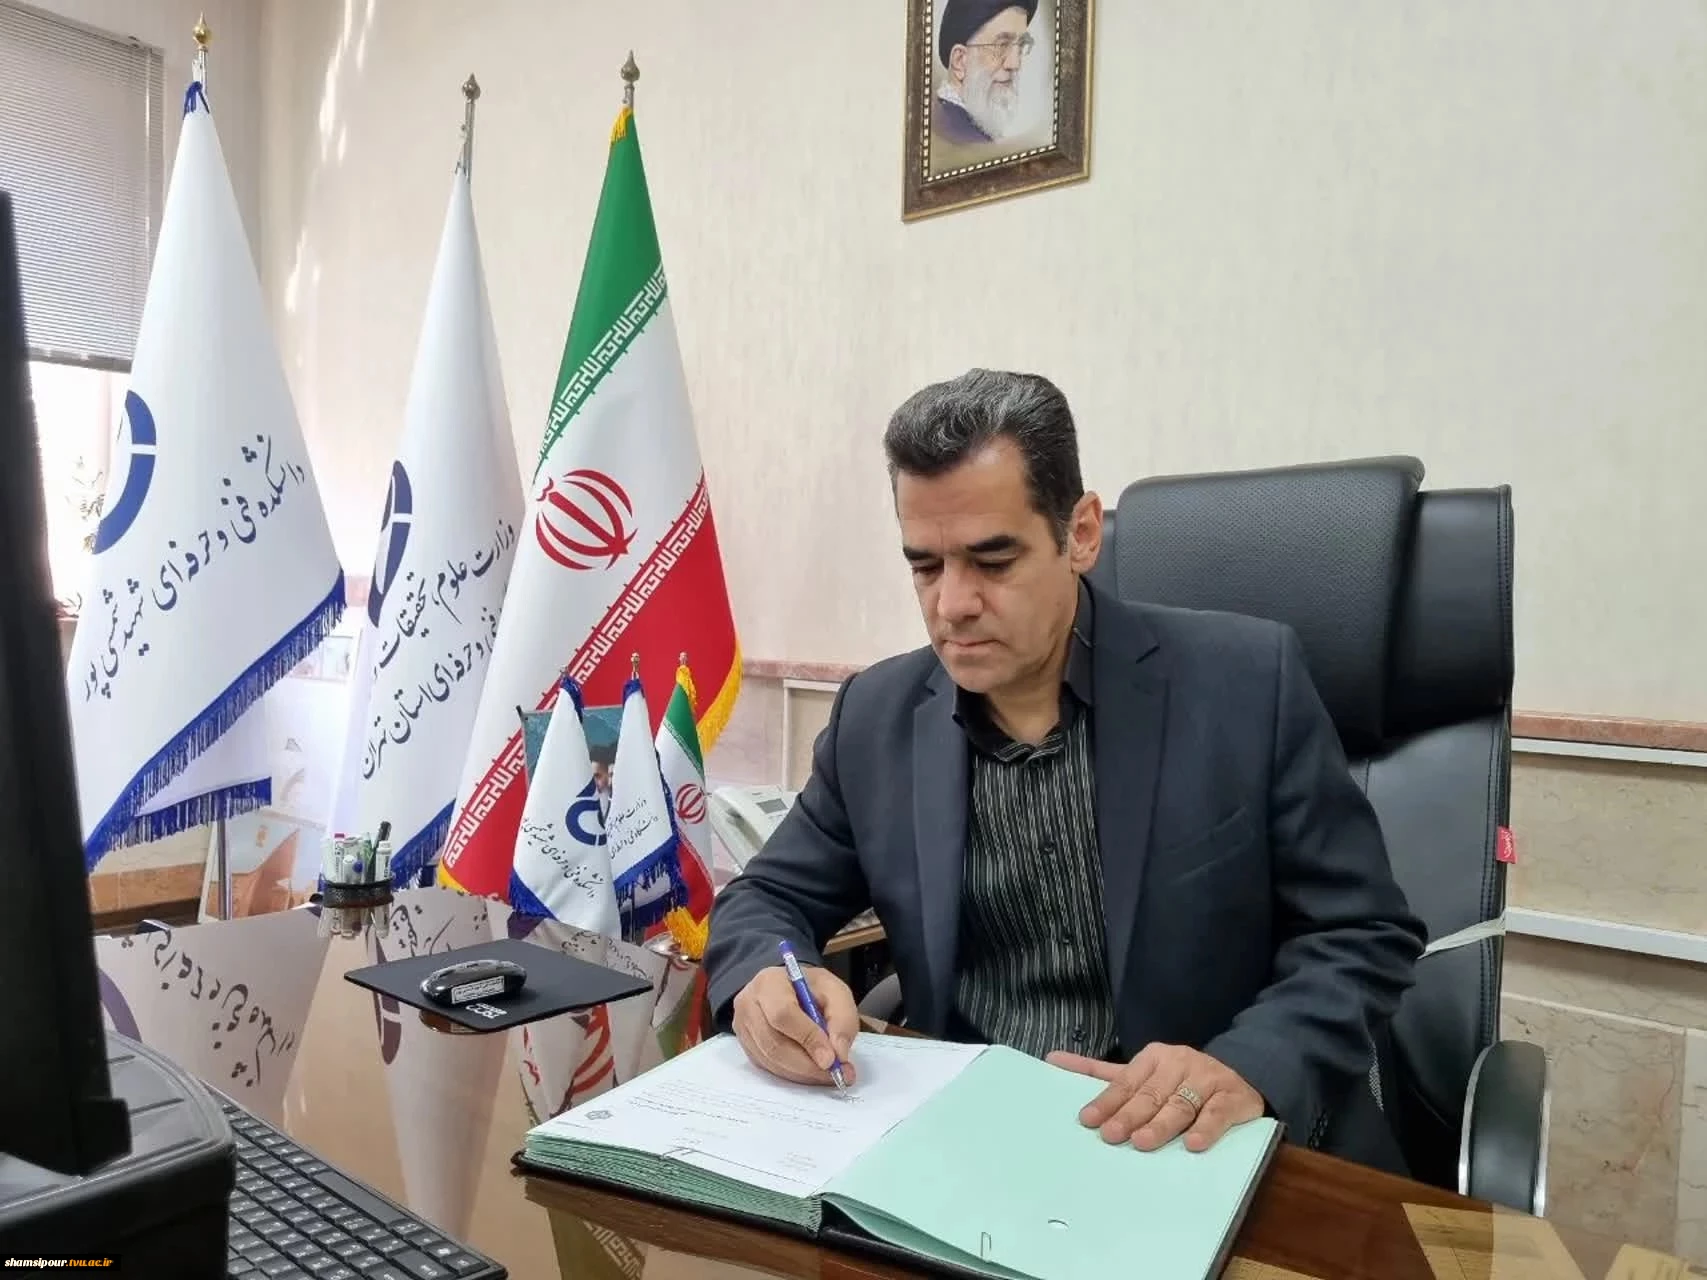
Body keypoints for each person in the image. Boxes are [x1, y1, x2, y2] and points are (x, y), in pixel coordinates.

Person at [703, 368, 1428, 1172]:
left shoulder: (1247, 683)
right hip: (974, 1145)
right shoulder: (876, 716)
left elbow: (1360, 933)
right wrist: (770, 976)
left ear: (1080, 534)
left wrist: (1247, 1066)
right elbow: (766, 897)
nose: (952, 604)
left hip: (1192, 1141)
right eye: (925, 566)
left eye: (992, 560)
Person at [933, 0, 1037, 145]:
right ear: (960, 61)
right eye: (1002, 45)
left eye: (1021, 44)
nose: (1015, 64)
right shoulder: (958, 138)